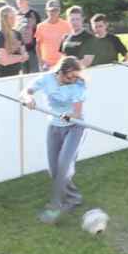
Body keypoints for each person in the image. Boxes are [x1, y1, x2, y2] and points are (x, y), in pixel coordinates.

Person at [20, 57, 88, 224]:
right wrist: (28, 99)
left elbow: (77, 113)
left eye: (75, 77)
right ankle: (74, 197)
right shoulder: (46, 79)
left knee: (64, 165)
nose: (72, 80)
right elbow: (25, 91)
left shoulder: (78, 85)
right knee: (54, 170)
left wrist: (69, 116)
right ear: (59, 73)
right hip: (54, 127)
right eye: (68, 77)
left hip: (74, 127)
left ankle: (55, 205)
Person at [35, 0, 72, 70]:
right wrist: (41, 63)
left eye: (56, 10)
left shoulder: (67, 25)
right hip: (47, 65)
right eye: (51, 10)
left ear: (59, 11)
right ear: (46, 11)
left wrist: (68, 61)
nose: (53, 12)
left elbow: (70, 44)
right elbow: (38, 46)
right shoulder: (40, 26)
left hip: (63, 63)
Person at [0, 6, 29, 78]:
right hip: (4, 75)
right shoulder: (0, 36)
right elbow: (5, 61)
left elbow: (25, 56)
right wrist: (20, 57)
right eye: (11, 17)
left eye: (14, 17)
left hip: (18, 73)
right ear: (4, 19)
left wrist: (12, 57)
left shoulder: (17, 34)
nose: (14, 20)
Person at [15, 0, 42, 74]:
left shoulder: (34, 14)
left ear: (27, 0)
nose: (20, 1)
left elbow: (39, 32)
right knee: (22, 75)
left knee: (34, 74)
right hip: (19, 51)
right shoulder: (15, 15)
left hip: (32, 50)